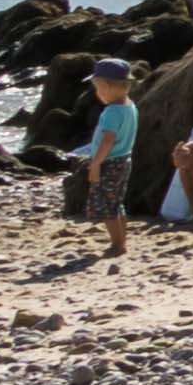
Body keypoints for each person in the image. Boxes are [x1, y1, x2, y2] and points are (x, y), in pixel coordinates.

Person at [66, 56, 140, 260]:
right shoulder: (130, 106)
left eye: (98, 88)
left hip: (109, 162)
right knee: (117, 203)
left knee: (107, 206)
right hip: (124, 159)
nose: (97, 94)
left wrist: (95, 164)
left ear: (108, 86)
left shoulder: (112, 112)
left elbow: (108, 140)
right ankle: (121, 241)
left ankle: (117, 245)